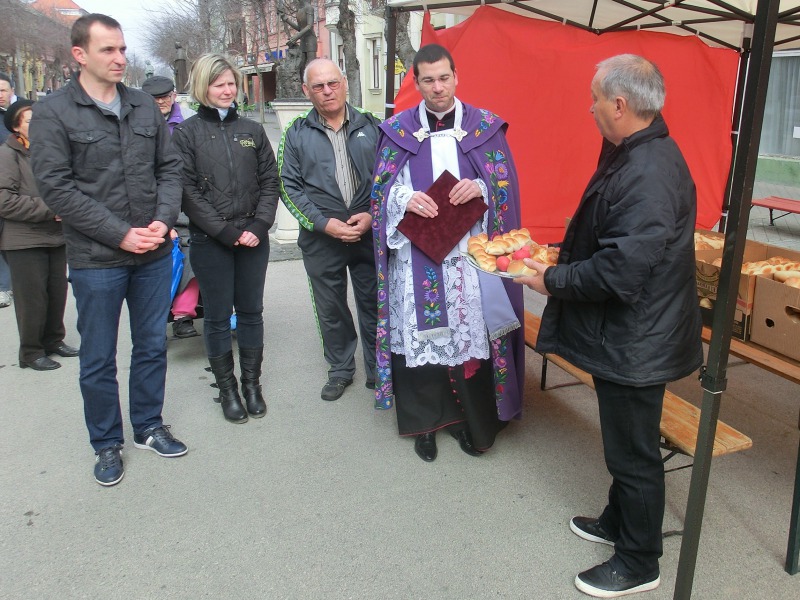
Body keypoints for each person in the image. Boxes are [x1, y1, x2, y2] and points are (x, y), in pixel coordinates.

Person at [516, 54, 703, 598]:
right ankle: (619, 522)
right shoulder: (636, 152)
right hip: (632, 334)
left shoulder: (648, 170)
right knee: (626, 442)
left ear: (619, 105)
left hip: (638, 339)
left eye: (596, 98)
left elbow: (622, 269)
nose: (590, 107)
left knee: (633, 452)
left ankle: (640, 561)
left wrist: (552, 279)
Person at [30, 13, 188, 487]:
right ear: (80, 54)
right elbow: (57, 189)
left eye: (122, 49)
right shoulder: (54, 112)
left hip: (153, 254)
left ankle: (148, 426)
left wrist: (162, 219)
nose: (120, 58)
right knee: (98, 357)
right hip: (97, 260)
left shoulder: (142, 106)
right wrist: (120, 233)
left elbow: (170, 168)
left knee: (150, 346)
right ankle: (106, 443)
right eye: (108, 50)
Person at [371, 44, 525, 462]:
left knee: (465, 336)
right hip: (417, 254)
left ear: (456, 77)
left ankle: (470, 421)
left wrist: (482, 187)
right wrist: (403, 197)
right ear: (416, 83)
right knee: (422, 336)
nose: (437, 87)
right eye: (428, 80)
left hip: (469, 259)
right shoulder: (397, 130)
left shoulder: (485, 128)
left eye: (444, 78)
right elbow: (381, 191)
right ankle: (426, 424)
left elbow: (506, 186)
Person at [172, 53, 279, 424]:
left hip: (254, 237)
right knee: (217, 318)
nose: (227, 90)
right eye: (219, 84)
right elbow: (187, 192)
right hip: (211, 240)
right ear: (203, 87)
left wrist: (259, 226)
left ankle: (252, 385)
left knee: (251, 313)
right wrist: (227, 232)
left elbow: (270, 181)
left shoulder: (251, 130)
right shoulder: (186, 134)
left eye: (231, 83)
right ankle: (228, 389)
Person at [278, 58, 381, 401]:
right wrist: (323, 224)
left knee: (375, 303)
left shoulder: (373, 125)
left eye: (333, 83)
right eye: (318, 86)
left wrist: (370, 214)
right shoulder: (295, 133)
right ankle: (340, 369)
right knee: (330, 307)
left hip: (368, 233)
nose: (327, 91)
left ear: (345, 83)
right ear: (307, 91)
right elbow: (288, 187)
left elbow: (390, 178)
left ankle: (380, 367)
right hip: (323, 237)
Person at [0, 99, 78, 370]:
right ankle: (31, 352)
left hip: (56, 236)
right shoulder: (7, 155)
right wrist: (50, 209)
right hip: (23, 240)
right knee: (32, 298)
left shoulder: (51, 152)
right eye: (31, 121)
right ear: (16, 126)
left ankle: (54, 341)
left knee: (57, 293)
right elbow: (4, 200)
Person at [141, 75, 199, 338]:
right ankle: (157, 320)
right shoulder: (138, 123)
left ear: (174, 95)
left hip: (187, 203)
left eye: (165, 96)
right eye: (155, 98)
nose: (161, 102)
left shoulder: (188, 121)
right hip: (152, 206)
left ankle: (183, 314)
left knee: (192, 252)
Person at [0, 72, 17, 308]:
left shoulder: (23, 115)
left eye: (2, 90)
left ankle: (7, 284)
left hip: (17, 186)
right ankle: (4, 286)